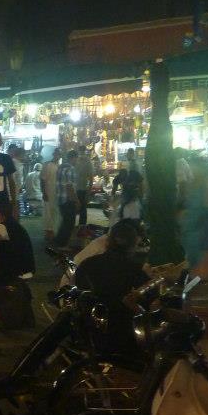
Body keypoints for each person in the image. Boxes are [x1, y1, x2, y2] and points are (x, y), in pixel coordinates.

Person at [73, 221, 150, 353]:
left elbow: (79, 291)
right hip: (119, 335)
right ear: (133, 245)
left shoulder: (87, 263)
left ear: (108, 241)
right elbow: (149, 302)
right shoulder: (134, 270)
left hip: (86, 328)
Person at [54, 150, 80, 247]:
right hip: (68, 200)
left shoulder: (60, 168)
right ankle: (62, 245)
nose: (77, 161)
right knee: (69, 224)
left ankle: (58, 241)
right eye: (77, 158)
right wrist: (76, 201)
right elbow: (70, 187)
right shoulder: (70, 169)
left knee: (65, 222)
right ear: (73, 158)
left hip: (60, 199)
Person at [40, 149, 61, 241]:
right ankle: (48, 233)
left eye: (59, 154)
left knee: (55, 213)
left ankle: (53, 233)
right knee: (48, 213)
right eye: (57, 153)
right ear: (53, 154)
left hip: (57, 194)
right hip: (48, 192)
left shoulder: (59, 166)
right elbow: (42, 179)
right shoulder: (47, 165)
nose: (58, 155)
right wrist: (44, 192)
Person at [74, 146, 94, 226]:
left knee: (79, 209)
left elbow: (91, 178)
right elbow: (91, 178)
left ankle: (78, 227)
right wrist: (89, 191)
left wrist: (89, 191)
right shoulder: (88, 161)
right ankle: (81, 227)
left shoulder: (86, 161)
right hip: (80, 189)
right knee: (82, 209)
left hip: (79, 189)